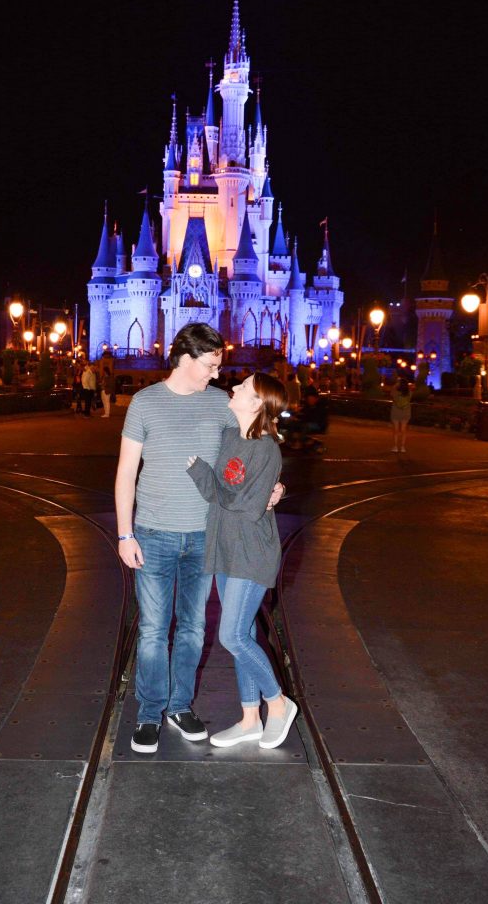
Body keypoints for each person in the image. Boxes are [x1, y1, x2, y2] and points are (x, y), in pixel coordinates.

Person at [115, 323, 284, 754]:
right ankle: (150, 712)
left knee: (192, 628)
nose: (217, 374)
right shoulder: (145, 403)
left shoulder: (221, 406)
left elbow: (260, 437)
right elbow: (125, 474)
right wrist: (124, 532)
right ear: (186, 359)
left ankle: (179, 705)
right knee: (153, 629)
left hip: (206, 538)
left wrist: (275, 487)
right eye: (211, 365)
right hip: (152, 533)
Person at [187, 372, 298, 750]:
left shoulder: (266, 449)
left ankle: (278, 703)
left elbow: (248, 507)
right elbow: (220, 493)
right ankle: (250, 718)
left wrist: (204, 476)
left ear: (257, 404)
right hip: (224, 548)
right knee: (244, 635)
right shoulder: (229, 435)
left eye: (243, 388)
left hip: (252, 552)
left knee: (231, 634)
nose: (233, 388)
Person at [390, 376, 412, 452]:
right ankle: (402, 447)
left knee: (395, 430)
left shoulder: (395, 392)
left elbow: (392, 392)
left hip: (396, 412)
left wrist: (396, 385)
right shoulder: (409, 393)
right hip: (405, 412)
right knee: (403, 430)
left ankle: (395, 447)